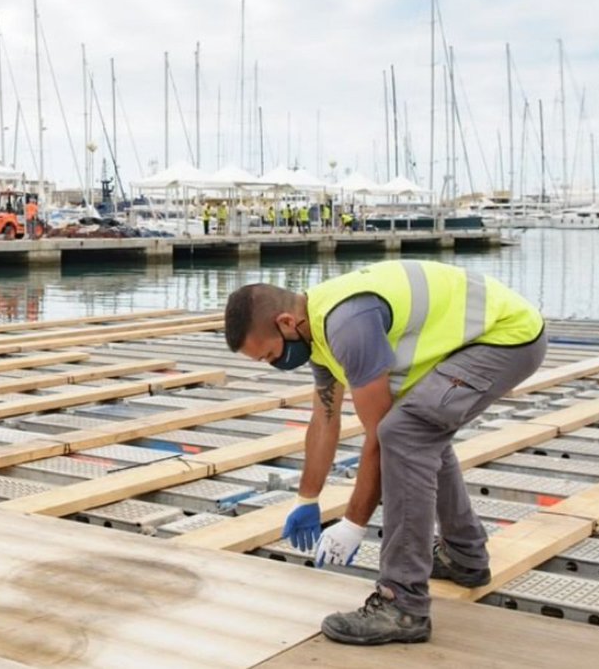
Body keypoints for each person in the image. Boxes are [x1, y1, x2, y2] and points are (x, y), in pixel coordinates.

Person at [223, 260, 545, 645]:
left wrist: (354, 523)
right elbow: (325, 420)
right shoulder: (317, 335)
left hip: (507, 339)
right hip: (487, 338)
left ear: (286, 323)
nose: (274, 364)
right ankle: (465, 556)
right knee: (418, 430)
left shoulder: (346, 324)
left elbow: (379, 435)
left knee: (403, 434)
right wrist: (307, 498)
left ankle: (403, 604)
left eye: (269, 355)